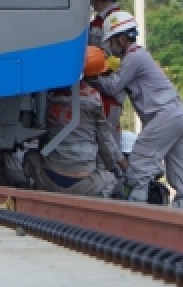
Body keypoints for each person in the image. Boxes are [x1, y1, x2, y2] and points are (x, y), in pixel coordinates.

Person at [95, 11, 183, 208]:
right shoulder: (140, 56)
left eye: (113, 40)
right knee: (180, 174)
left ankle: (137, 206)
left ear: (123, 38)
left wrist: (91, 77)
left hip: (165, 116)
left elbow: (112, 86)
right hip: (179, 116)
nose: (111, 46)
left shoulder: (134, 57)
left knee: (140, 158)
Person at [21, 46, 123, 198]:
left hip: (50, 181)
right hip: (85, 184)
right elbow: (105, 141)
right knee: (112, 181)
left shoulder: (48, 97)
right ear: (95, 76)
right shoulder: (94, 99)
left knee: (30, 156)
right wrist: (116, 168)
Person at [86, 0, 129, 159]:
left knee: (107, 148)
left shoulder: (106, 24)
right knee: (109, 144)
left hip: (105, 94)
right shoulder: (119, 20)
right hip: (109, 95)